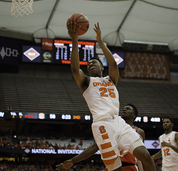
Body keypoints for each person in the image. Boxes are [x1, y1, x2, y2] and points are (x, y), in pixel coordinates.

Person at [67, 22, 155, 171]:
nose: (90, 65)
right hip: (102, 124)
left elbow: (113, 64)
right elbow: (75, 69)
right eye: (88, 65)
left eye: (94, 63)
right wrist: (75, 41)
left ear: (102, 67)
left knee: (145, 156)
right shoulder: (86, 82)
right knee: (115, 168)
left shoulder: (111, 79)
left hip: (118, 122)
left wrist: (100, 42)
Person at [56, 104, 145, 171]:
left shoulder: (139, 132)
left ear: (134, 115)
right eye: (124, 108)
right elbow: (94, 147)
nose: (124, 109)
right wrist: (73, 160)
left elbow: (141, 157)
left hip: (130, 167)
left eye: (128, 108)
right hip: (112, 167)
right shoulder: (111, 128)